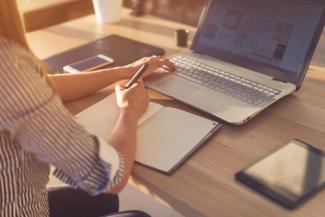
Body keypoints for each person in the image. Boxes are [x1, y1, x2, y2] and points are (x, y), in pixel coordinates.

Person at [0, 1, 175, 217]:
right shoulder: (7, 64)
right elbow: (107, 175)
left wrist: (124, 71)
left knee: (104, 200)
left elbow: (43, 85)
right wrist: (129, 112)